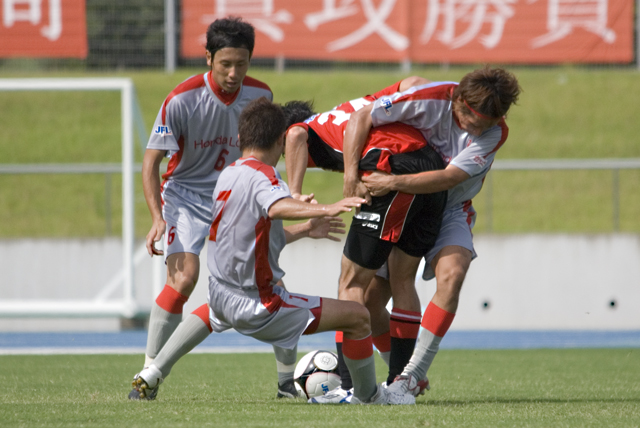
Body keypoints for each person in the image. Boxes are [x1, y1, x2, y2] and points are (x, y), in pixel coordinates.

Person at [130, 97, 416, 405]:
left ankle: (153, 371)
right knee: (358, 317)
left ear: (240, 138)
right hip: (260, 307)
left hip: (222, 293)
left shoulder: (228, 174)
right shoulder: (264, 177)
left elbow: (257, 234)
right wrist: (329, 206)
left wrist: (306, 229)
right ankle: (370, 397)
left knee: (212, 311)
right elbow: (277, 205)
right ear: (282, 140)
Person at [342, 65, 522, 397]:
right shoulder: (428, 97)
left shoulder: (496, 132)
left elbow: (450, 178)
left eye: (487, 124)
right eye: (472, 121)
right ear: (459, 100)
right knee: (368, 300)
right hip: (404, 203)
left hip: (451, 209)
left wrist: (392, 180)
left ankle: (410, 375)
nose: (477, 129)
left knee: (453, 273)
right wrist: (351, 176)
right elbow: (361, 117)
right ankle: (398, 370)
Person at [129, 17, 276, 400]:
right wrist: (157, 217)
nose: (233, 73)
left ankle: (287, 382)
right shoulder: (182, 99)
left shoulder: (261, 96)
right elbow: (151, 162)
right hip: (186, 198)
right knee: (183, 279)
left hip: (234, 199)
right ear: (208, 57)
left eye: (241, 64)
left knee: (269, 280)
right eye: (225, 63)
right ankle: (149, 373)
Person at [282, 83, 448, 403]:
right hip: (430, 173)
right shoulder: (351, 109)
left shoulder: (309, 128)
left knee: (350, 283)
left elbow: (294, 137)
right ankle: (402, 383)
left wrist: (294, 192)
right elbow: (411, 82)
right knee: (399, 282)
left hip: (390, 170)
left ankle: (348, 387)